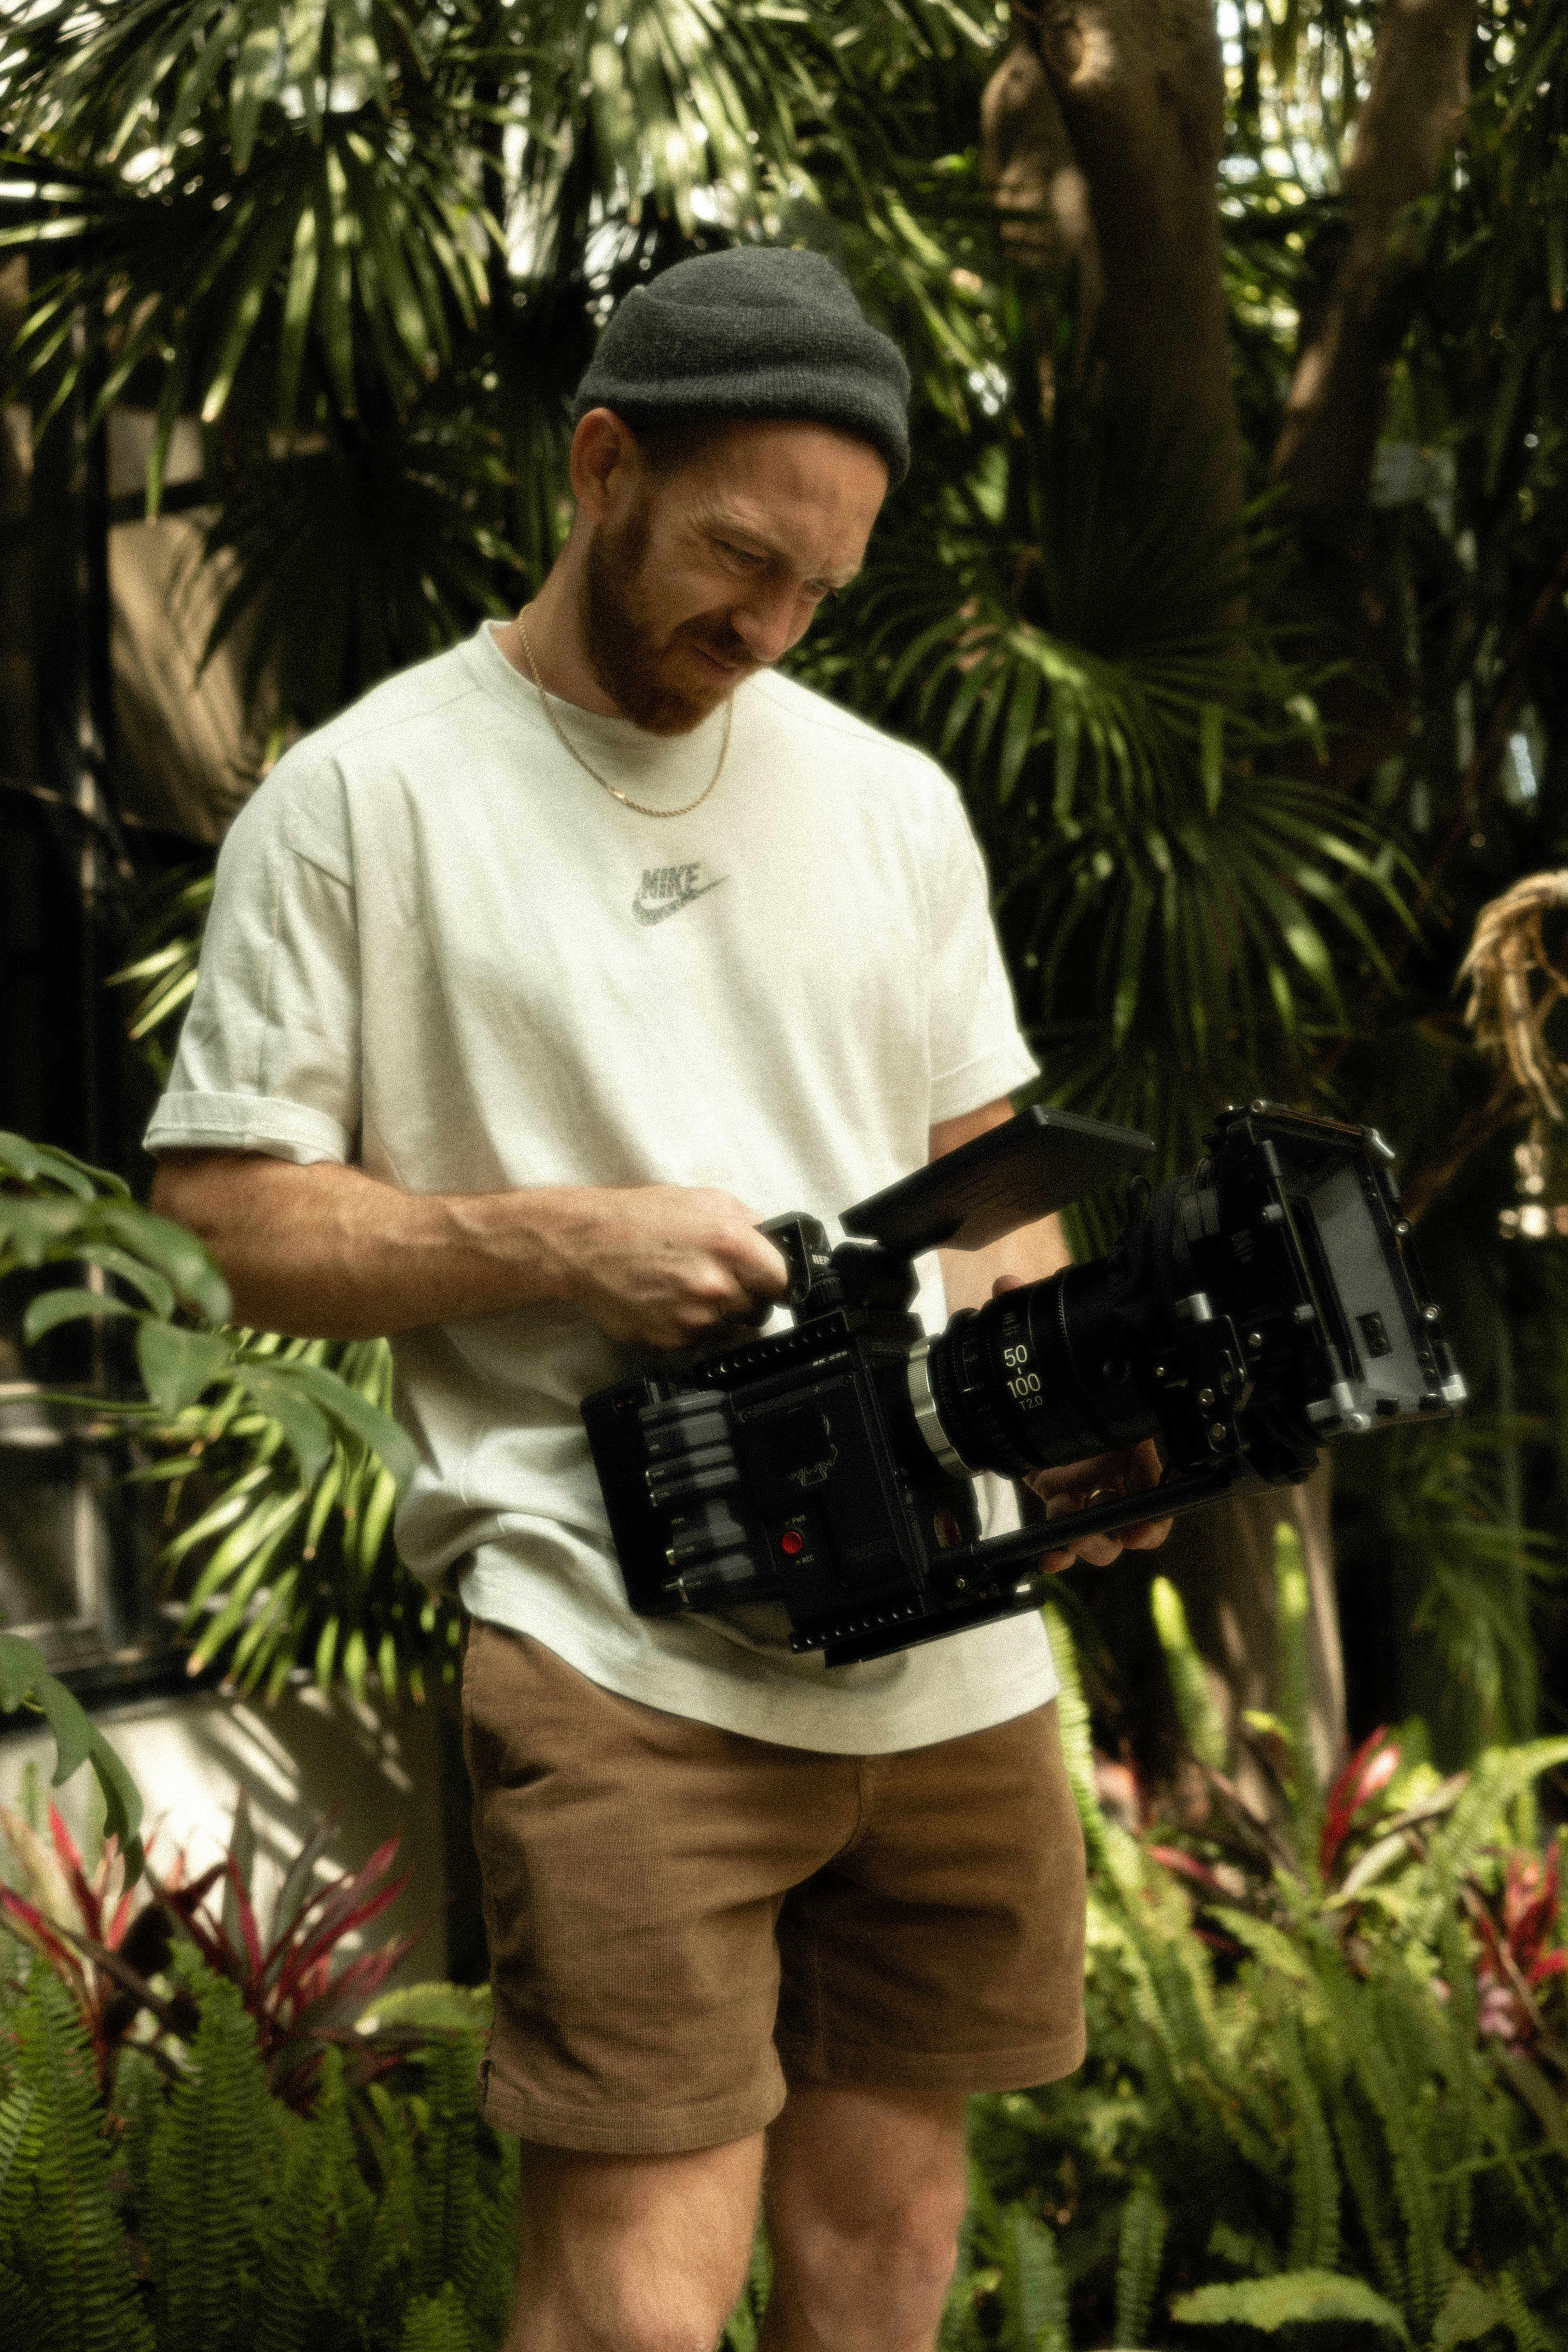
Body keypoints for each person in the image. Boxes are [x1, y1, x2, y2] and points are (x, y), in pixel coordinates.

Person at [148, 247, 1169, 2352]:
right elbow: (217, 1224)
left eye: (823, 587)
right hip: (617, 1636)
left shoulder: (893, 803)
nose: (772, 627)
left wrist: (1069, 1411)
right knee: (636, 2301)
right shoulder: (363, 800)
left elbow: (996, 1188)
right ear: (602, 465)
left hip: (952, 1645)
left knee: (889, 2247)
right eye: (737, 557)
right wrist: (557, 1240)